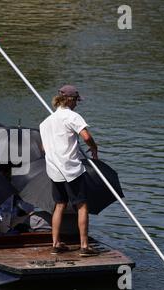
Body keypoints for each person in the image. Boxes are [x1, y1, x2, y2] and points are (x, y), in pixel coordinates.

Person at [39, 85, 99, 257]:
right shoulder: (72, 117)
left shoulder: (45, 122)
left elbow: (44, 147)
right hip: (71, 169)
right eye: (76, 101)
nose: (77, 105)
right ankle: (84, 246)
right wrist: (94, 148)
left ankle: (56, 244)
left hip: (54, 169)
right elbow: (86, 137)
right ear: (70, 100)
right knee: (82, 205)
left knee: (59, 205)